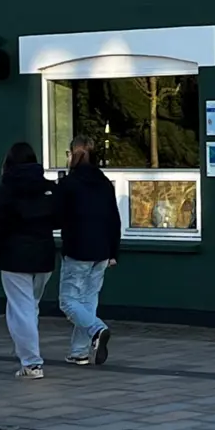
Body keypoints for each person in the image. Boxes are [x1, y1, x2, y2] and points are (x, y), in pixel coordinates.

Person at [0, 141, 58, 380]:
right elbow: (59, 218)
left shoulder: (6, 190)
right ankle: (28, 353)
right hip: (44, 257)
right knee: (31, 308)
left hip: (15, 259)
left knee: (21, 310)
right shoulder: (48, 188)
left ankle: (31, 363)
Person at [56, 134, 119, 366]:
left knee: (68, 301)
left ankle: (97, 330)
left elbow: (57, 217)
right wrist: (114, 251)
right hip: (102, 250)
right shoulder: (104, 182)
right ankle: (79, 351)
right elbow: (114, 219)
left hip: (78, 249)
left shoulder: (69, 184)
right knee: (88, 302)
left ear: (73, 154)